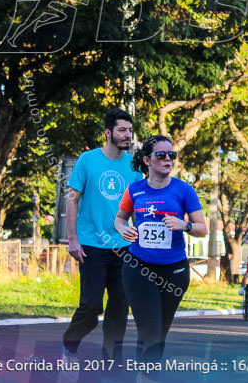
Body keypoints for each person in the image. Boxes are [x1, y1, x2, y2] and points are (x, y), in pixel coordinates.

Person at [115, 135, 208, 364]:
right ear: (147, 160)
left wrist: (184, 225)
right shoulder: (134, 190)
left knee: (159, 332)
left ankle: (145, 374)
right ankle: (148, 376)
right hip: (139, 267)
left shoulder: (184, 190)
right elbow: (119, 219)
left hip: (174, 271)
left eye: (171, 155)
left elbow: (202, 229)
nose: (168, 159)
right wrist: (122, 229)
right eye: (161, 155)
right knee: (150, 330)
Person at [61, 108, 141, 371]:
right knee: (92, 306)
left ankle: (111, 362)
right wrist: (72, 239)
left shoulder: (134, 166)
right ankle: (70, 345)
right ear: (108, 132)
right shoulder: (88, 160)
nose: (127, 135)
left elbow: (139, 205)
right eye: (121, 130)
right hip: (91, 245)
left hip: (124, 247)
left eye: (129, 130)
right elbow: (72, 199)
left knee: (119, 307)